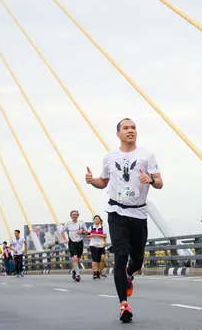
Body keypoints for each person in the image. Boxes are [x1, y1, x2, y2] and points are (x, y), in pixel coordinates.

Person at [86, 118, 163, 322]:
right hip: (117, 212)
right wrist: (92, 181)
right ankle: (123, 305)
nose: (131, 131)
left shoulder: (147, 156)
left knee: (137, 260)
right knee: (120, 255)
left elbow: (160, 182)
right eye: (126, 128)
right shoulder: (110, 157)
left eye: (133, 128)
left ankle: (130, 273)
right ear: (118, 133)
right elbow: (103, 182)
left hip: (138, 214)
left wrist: (151, 180)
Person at [61, 210, 87, 282]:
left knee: (78, 260)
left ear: (78, 215)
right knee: (75, 259)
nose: (75, 216)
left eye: (76, 214)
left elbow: (87, 232)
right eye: (73, 215)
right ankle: (77, 275)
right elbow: (62, 231)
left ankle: (73, 270)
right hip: (72, 242)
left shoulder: (81, 223)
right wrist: (65, 239)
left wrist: (81, 232)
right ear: (71, 216)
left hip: (80, 242)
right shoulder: (68, 224)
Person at [87, 215, 106, 280]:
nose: (97, 220)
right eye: (95, 219)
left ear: (100, 220)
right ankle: (95, 273)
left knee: (102, 258)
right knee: (95, 259)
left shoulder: (102, 227)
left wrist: (95, 235)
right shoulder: (91, 227)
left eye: (98, 219)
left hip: (101, 244)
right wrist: (91, 238)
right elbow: (88, 236)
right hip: (93, 244)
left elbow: (104, 235)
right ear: (94, 220)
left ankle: (99, 271)